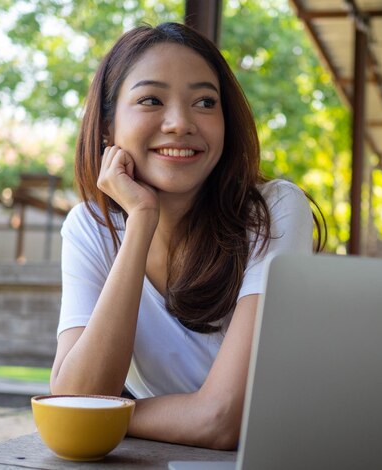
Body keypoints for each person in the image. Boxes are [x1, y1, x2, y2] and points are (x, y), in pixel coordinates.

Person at [50, 22, 324, 450]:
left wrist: (104, 411)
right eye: (151, 100)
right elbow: (74, 399)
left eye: (204, 102)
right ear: (107, 128)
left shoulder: (274, 212)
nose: (180, 123)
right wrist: (141, 219)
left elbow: (222, 420)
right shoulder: (91, 227)